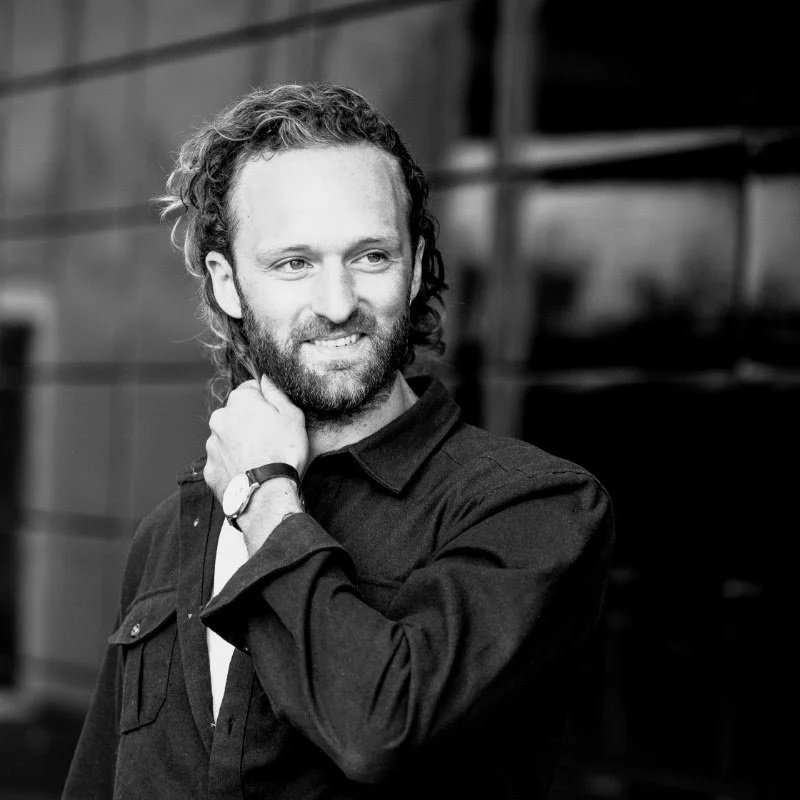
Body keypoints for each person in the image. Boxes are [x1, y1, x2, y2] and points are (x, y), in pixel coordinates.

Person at [64, 83, 613, 800]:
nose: (337, 303)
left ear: (414, 267)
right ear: (228, 284)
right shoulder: (171, 533)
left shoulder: (534, 507)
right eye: (294, 262)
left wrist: (263, 496)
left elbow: (380, 729)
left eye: (371, 256)